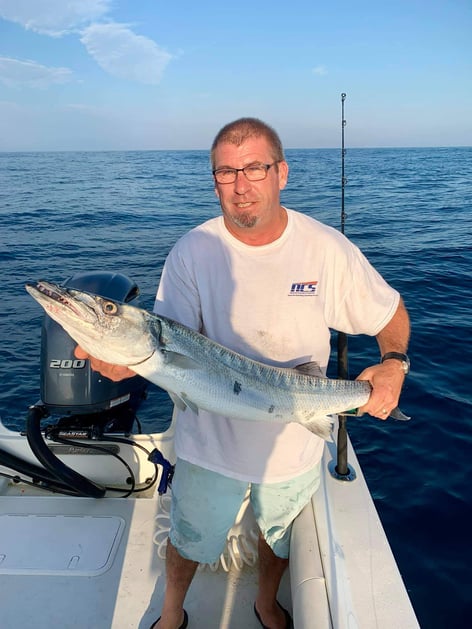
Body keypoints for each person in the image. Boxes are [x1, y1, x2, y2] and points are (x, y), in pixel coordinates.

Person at [76, 117, 410, 629]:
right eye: (226, 172)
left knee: (277, 542)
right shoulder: (192, 251)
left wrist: (392, 365)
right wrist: (125, 366)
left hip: (294, 441)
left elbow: (390, 316)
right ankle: (171, 614)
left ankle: (264, 603)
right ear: (214, 181)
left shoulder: (325, 248)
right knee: (187, 541)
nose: (241, 184)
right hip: (209, 445)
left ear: (282, 173)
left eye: (255, 168)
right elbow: (169, 347)